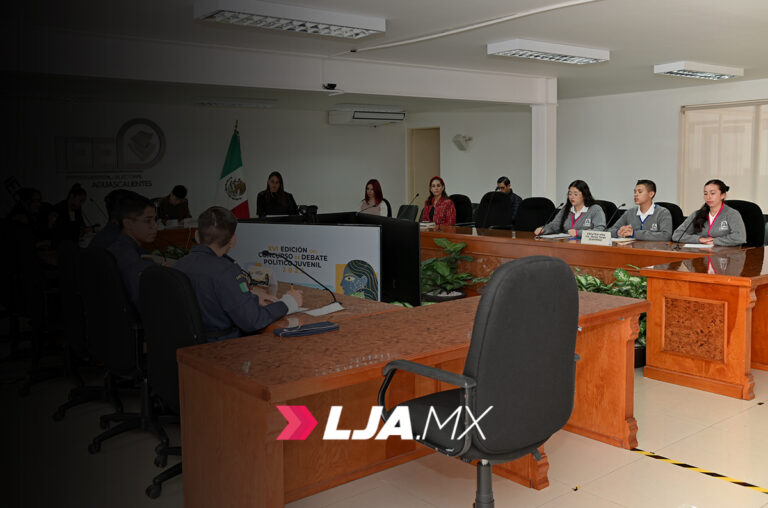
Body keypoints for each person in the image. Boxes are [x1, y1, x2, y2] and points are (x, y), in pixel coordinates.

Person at [174, 206, 303, 341]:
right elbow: (253, 320)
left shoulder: (179, 265)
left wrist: (250, 296)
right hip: (222, 349)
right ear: (233, 240)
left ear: (196, 235)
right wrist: (288, 302)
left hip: (188, 346)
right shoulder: (226, 271)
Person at [107, 193, 159, 308]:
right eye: (148, 221)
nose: (155, 226)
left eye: (155, 220)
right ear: (128, 224)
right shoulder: (129, 256)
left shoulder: (120, 246)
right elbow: (145, 301)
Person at [672, 179, 746, 246]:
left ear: (723, 195)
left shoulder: (732, 214)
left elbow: (739, 237)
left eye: (712, 193)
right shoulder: (697, 214)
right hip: (701, 255)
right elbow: (677, 235)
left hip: (726, 255)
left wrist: (715, 241)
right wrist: (700, 239)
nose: (708, 197)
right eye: (705, 194)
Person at [534, 180, 605, 237]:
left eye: (575, 194)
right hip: (567, 244)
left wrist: (578, 233)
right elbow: (555, 225)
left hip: (587, 246)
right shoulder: (566, 209)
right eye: (570, 194)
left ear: (584, 195)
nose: (572, 197)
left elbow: (600, 230)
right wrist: (544, 229)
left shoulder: (595, 209)